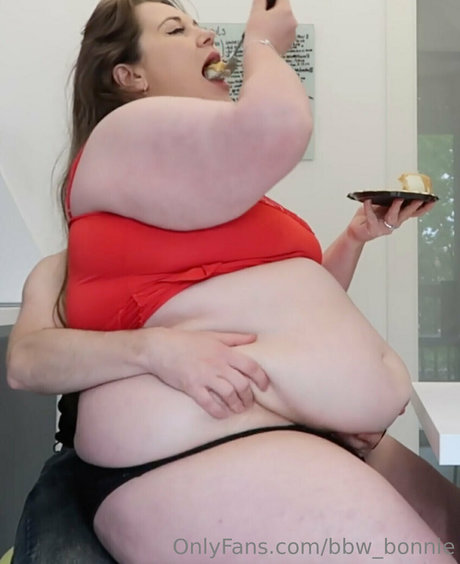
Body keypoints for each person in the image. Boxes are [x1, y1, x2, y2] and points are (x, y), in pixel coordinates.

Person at [6, 0, 460, 562]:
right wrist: (263, 46)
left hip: (299, 429)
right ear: (130, 76)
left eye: (198, 24)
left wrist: (354, 239)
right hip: (206, 446)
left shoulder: (223, 210)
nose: (202, 35)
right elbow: (25, 361)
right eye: (176, 28)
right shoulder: (107, 163)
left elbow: (290, 317)